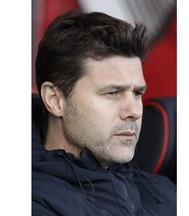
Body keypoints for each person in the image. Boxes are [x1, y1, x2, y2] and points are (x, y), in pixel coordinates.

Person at [32, 9, 176, 216]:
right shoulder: (35, 200)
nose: (134, 111)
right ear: (55, 100)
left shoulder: (165, 192)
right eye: (112, 93)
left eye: (137, 93)